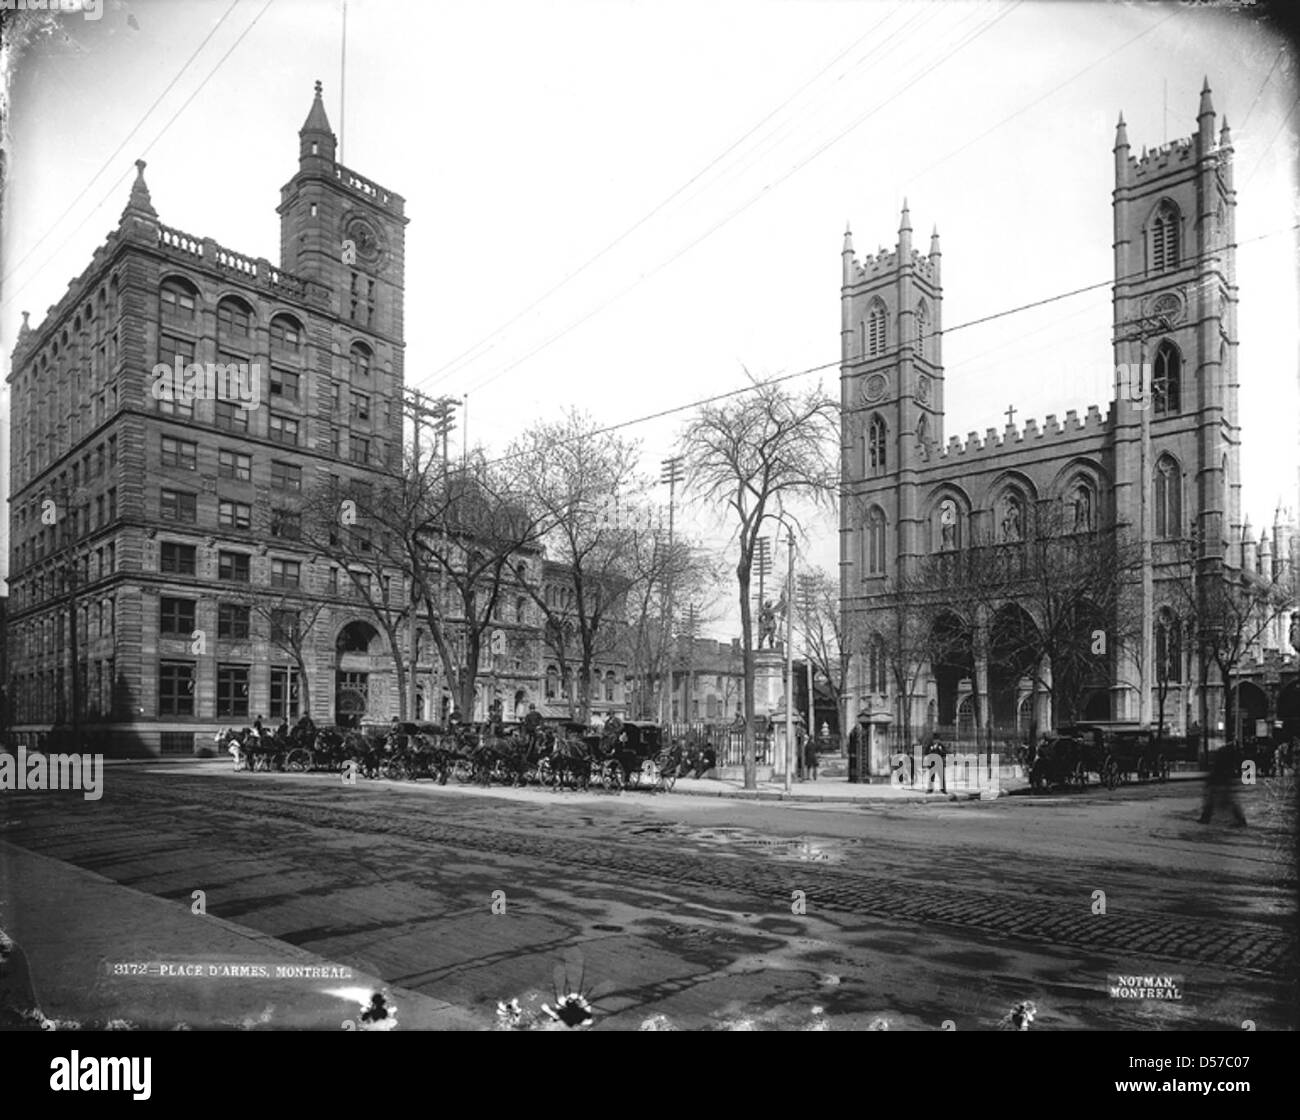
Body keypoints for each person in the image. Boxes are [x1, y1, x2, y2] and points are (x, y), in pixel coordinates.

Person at [1199, 744, 1246, 826]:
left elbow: (1207, 809)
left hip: (1218, 825)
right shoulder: (1225, 780)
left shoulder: (1214, 780)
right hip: (1225, 825)